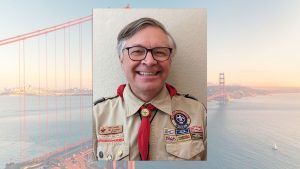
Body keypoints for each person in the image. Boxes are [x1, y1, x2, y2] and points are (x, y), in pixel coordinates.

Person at [93, 17, 207, 160]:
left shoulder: (199, 114)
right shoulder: (96, 116)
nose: (149, 61)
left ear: (170, 59)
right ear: (121, 59)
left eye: (160, 52)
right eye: (137, 51)